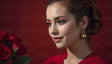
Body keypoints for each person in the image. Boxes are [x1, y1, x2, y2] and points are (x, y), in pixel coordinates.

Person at [44, 0, 109, 64]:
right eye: (49, 23)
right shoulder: (51, 62)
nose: (52, 31)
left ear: (83, 23)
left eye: (61, 21)